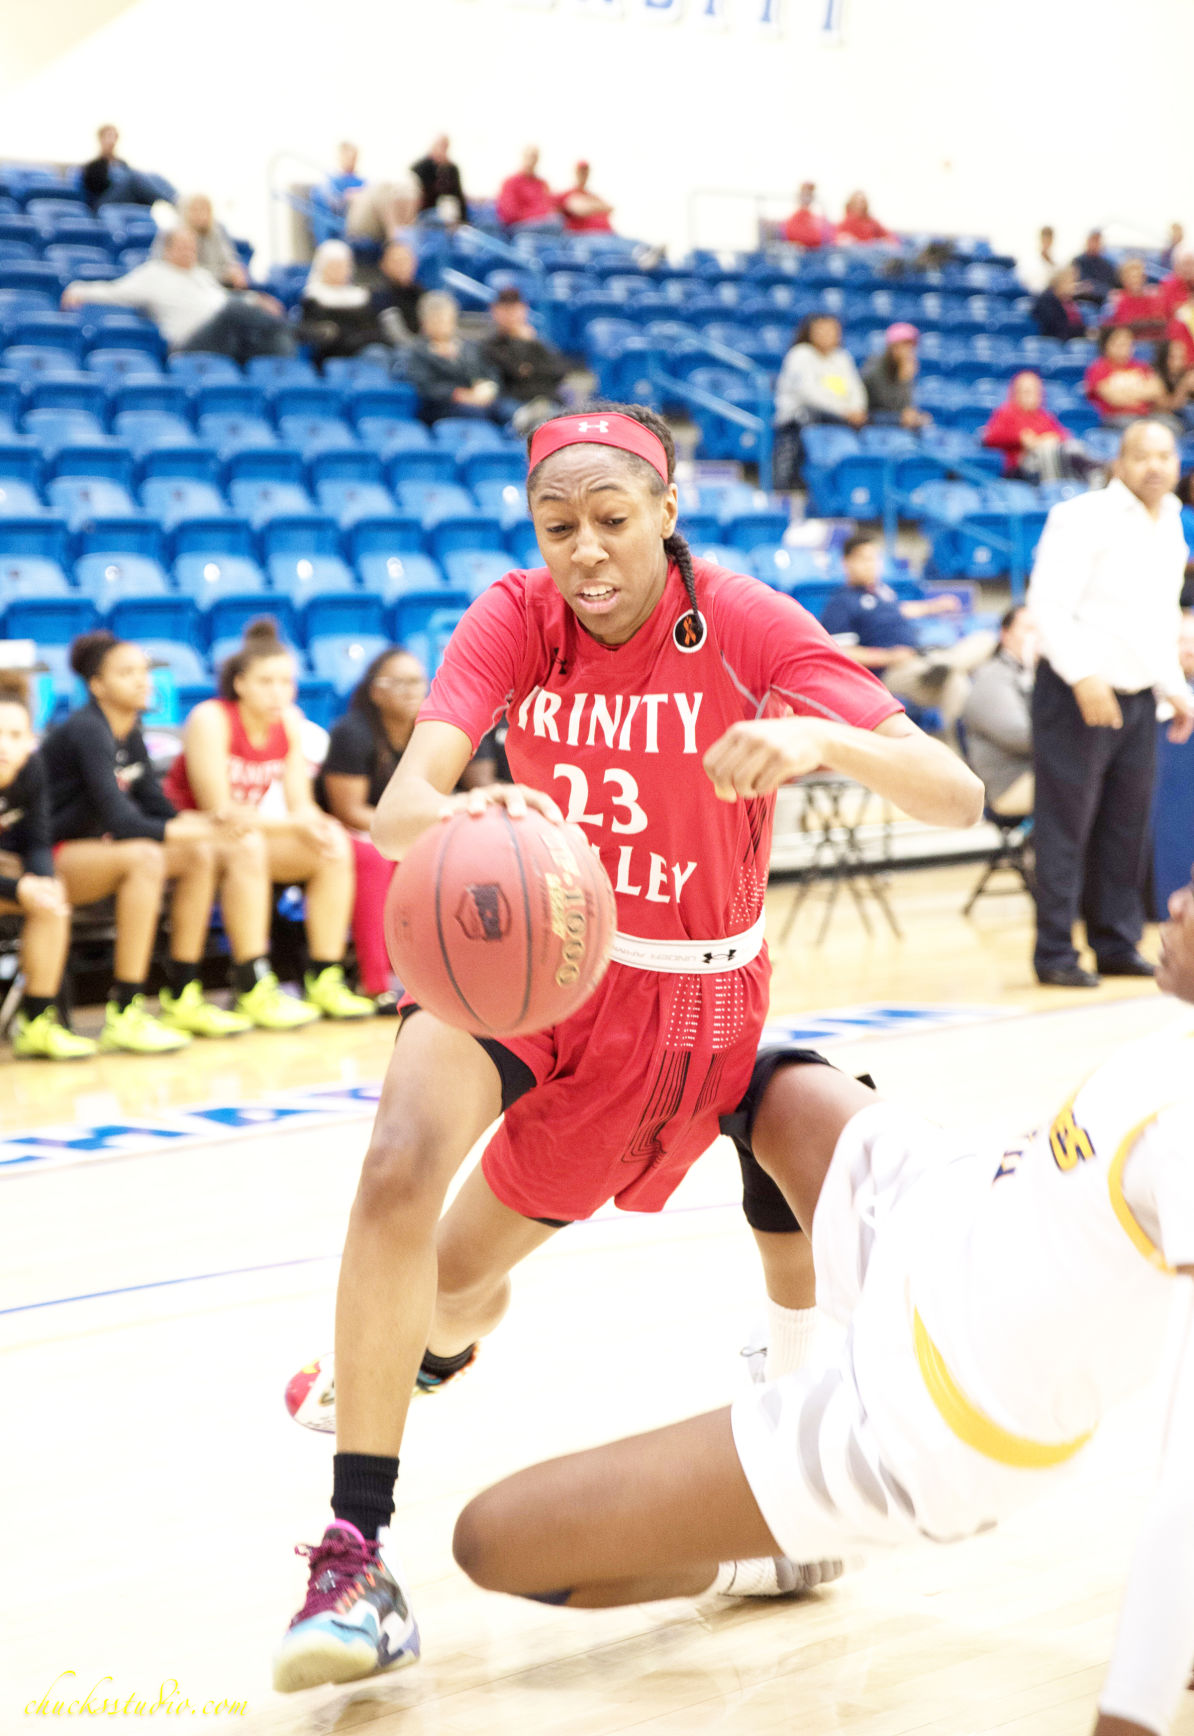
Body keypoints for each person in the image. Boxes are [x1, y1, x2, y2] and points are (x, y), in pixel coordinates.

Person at [271, 404, 983, 1692]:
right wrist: (467, 804)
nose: (585, 550)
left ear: (666, 511)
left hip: (675, 1006)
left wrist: (823, 741)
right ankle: (354, 1561)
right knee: (392, 1165)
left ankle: (429, 1338)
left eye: (611, 520)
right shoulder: (515, 614)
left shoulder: (752, 624)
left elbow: (958, 793)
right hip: (523, 955)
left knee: (451, 1279)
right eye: (559, 526)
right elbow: (398, 807)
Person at [449, 907, 1194, 1736]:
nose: (1177, 903)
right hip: (934, 1202)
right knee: (750, 1077)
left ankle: (770, 1550)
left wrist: (1136, 1709)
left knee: (491, 1541)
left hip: (932, 1418)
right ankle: (788, 1371)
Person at [41, 633, 298, 1051]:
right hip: (48, 855)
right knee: (146, 856)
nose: (143, 681)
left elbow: (159, 809)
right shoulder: (87, 729)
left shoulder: (129, 730)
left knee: (199, 854)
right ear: (97, 685)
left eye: (144, 672)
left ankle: (182, 993)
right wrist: (213, 825)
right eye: (127, 673)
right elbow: (124, 822)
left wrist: (215, 822)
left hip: (98, 851)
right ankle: (124, 1009)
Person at [1026, 419, 1194, 987]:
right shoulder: (1082, 516)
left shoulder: (1172, 521)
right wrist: (1083, 675)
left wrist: (1175, 688)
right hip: (1077, 694)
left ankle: (1116, 942)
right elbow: (1047, 605)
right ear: (1119, 461)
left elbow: (1156, 623)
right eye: (1142, 455)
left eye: (1165, 455)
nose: (1155, 466)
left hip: (1140, 696)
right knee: (1065, 828)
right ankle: (1054, 953)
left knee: (1126, 828)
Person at [163, 620, 376, 1022]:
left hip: (246, 832)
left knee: (332, 845)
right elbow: (219, 810)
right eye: (267, 682)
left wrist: (318, 823)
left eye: (286, 682)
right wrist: (298, 824)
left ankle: (324, 977)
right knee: (249, 844)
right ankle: (252, 984)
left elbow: (299, 803)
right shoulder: (211, 718)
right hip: (191, 833)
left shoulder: (290, 721)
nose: (279, 692)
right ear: (240, 683)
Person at [316, 648, 495, 1008]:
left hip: (404, 828)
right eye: (397, 683)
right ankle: (377, 982)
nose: (411, 690)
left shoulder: (432, 732)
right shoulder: (352, 733)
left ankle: (462, 973)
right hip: (346, 831)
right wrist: (405, 830)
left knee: (464, 852)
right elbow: (348, 810)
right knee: (376, 857)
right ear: (375, 692)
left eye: (416, 681)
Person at [0, 679, 95, 1061]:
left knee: (52, 899)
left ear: (30, 742)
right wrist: (17, 887)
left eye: (15, 734)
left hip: (8, 877)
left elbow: (38, 840)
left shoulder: (31, 770)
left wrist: (40, 881)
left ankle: (37, 1023)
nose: (4, 744)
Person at [821, 532, 993, 734]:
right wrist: (887, 657)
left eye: (874, 558)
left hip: (919, 659)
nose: (871, 564)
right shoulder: (841, 603)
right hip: (891, 671)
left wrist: (934, 606)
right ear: (846, 562)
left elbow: (899, 610)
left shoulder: (881, 593)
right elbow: (842, 652)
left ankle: (946, 666)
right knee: (955, 679)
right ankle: (944, 666)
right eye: (863, 559)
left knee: (985, 641)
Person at [61, 228, 293, 361]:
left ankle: (290, 345)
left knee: (274, 342)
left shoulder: (200, 274)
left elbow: (222, 297)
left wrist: (257, 299)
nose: (189, 252)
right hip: (189, 343)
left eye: (192, 247)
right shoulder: (154, 273)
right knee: (233, 311)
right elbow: (115, 291)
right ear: (168, 249)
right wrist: (78, 289)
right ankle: (295, 328)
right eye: (183, 247)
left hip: (223, 339)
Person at [773, 314, 867, 488]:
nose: (828, 334)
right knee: (808, 417)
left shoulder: (842, 357)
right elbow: (808, 393)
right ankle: (792, 482)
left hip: (840, 418)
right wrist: (844, 411)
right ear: (810, 332)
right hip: (798, 420)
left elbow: (857, 390)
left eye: (832, 330)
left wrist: (856, 409)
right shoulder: (799, 354)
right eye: (822, 329)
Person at [959, 605, 1037, 815]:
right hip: (1011, 785)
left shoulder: (1035, 675)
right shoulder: (993, 679)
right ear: (1005, 635)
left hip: (1039, 773)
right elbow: (1021, 737)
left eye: (1040, 630)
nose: (1036, 638)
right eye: (1029, 629)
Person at [404, 291, 512, 426]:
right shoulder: (418, 352)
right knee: (474, 413)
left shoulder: (470, 348)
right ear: (424, 322)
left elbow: (490, 372)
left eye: (445, 318)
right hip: (442, 407)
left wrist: (488, 389)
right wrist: (461, 395)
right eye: (436, 318)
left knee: (508, 410)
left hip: (480, 400)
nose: (442, 324)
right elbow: (426, 386)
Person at [480, 287, 570, 430]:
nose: (511, 315)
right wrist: (521, 344)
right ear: (495, 311)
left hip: (546, 400)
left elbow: (558, 371)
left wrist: (530, 343)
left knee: (560, 413)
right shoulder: (490, 345)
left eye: (515, 309)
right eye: (505, 310)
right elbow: (514, 370)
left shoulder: (538, 343)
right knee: (520, 415)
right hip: (512, 402)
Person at [981, 371, 1080, 480]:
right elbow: (990, 437)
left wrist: (1044, 439)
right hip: (1019, 468)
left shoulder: (1044, 415)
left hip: (1049, 461)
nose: (1034, 396)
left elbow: (1063, 435)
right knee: (1046, 451)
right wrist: (1020, 438)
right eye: (1028, 392)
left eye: (1037, 392)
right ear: (1017, 393)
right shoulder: (1006, 412)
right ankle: (1053, 488)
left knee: (1073, 447)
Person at [298, 240, 380, 365]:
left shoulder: (360, 297)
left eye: (343, 266)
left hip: (366, 347)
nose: (339, 271)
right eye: (333, 266)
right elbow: (312, 332)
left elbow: (375, 330)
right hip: (333, 357)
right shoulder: (313, 297)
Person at [153, 194, 247, 288]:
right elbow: (163, 267)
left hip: (217, 285)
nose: (201, 214)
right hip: (185, 285)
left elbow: (229, 259)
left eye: (205, 209)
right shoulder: (171, 233)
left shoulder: (217, 231)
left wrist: (234, 271)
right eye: (195, 209)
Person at [79, 123, 172, 211]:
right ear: (100, 139)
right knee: (134, 177)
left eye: (114, 137)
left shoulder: (122, 163)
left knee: (154, 176)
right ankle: (172, 202)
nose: (111, 141)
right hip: (103, 203)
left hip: (126, 200)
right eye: (108, 137)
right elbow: (95, 188)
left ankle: (178, 200)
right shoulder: (94, 166)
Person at [1084, 327, 1167, 425]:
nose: (1125, 348)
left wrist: (1125, 392)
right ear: (1107, 345)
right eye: (1120, 344)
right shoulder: (1098, 368)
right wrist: (1142, 393)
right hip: (1114, 418)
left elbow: (1158, 391)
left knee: (1170, 424)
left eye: (1129, 344)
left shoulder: (1142, 366)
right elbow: (1114, 399)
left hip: (1145, 415)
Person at [861, 324, 931, 428]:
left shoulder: (903, 366)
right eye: (903, 345)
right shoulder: (874, 367)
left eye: (911, 346)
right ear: (892, 346)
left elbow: (906, 408)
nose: (908, 351)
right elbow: (885, 405)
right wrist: (903, 379)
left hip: (890, 421)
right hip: (870, 421)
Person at [370, 241, 426, 345]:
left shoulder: (422, 294)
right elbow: (396, 336)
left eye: (406, 260)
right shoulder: (379, 295)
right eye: (396, 261)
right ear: (383, 265)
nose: (402, 266)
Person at [410, 135, 469, 224]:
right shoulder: (422, 166)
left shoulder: (451, 168)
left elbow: (458, 194)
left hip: (446, 212)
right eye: (440, 145)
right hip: (424, 214)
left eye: (445, 147)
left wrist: (463, 220)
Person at [1105, 258, 1168, 339]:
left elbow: (1160, 323)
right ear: (1123, 279)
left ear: (1144, 278)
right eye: (1130, 277)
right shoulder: (1117, 299)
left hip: (1151, 341)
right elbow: (1118, 326)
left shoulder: (1153, 298)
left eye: (1138, 276)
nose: (1135, 280)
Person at [495, 148, 558, 229]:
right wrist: (538, 215)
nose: (531, 160)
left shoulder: (542, 183)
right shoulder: (510, 182)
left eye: (534, 157)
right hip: (519, 228)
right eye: (528, 156)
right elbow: (509, 214)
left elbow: (550, 205)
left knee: (557, 221)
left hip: (543, 226)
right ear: (522, 157)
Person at [1032, 264, 1086, 342]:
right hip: (1052, 342)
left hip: (1069, 340)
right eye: (1071, 281)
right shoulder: (1047, 300)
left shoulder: (1068, 301)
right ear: (1061, 281)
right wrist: (1082, 332)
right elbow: (1055, 327)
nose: (1074, 286)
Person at [557, 161, 614, 234]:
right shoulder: (567, 194)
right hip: (583, 236)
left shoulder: (593, 196)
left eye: (586, 172)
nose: (584, 175)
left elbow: (610, 208)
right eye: (581, 172)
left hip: (607, 234)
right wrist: (597, 207)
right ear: (576, 172)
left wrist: (588, 205)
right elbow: (578, 209)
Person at [1072, 228, 1119, 303]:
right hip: (1084, 302)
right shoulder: (1078, 262)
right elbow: (1084, 285)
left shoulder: (1107, 264)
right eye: (1093, 240)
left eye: (1098, 241)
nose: (1096, 244)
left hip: (1106, 303)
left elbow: (1115, 285)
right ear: (1087, 241)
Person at [1155, 336, 1194, 422]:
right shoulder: (1154, 376)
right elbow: (1166, 407)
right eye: (1173, 357)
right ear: (1164, 358)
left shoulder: (1185, 373)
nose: (1179, 362)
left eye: (1182, 357)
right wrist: (1184, 387)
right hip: (1164, 419)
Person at [782, 182, 830, 250]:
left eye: (810, 194)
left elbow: (826, 237)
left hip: (815, 254)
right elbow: (795, 237)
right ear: (800, 195)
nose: (807, 197)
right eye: (806, 194)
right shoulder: (794, 218)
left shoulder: (817, 218)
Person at [325, 142, 365, 215]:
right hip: (343, 219)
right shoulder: (330, 181)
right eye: (348, 158)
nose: (352, 162)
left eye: (354, 158)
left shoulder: (361, 181)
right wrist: (347, 197)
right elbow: (333, 204)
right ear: (340, 157)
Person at [1018, 224, 1057, 296]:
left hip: (1051, 295)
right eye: (1045, 239)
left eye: (1050, 239)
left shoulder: (1056, 261)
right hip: (1034, 294)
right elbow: (1026, 283)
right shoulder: (1029, 259)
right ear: (1041, 239)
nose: (1047, 243)